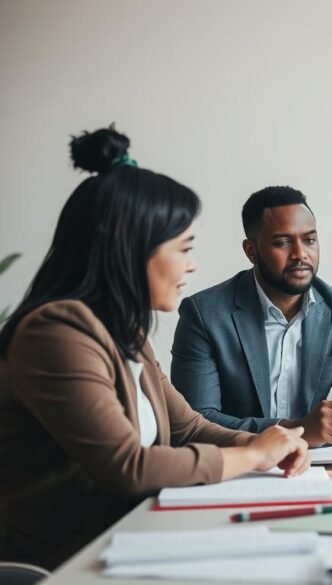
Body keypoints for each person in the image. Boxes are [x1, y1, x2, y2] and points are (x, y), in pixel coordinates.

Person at [0, 126, 311, 569]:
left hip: (129, 540)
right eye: (184, 248)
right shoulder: (54, 333)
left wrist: (260, 443)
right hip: (65, 563)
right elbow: (128, 466)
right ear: (130, 249)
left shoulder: (122, 332)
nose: (193, 264)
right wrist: (253, 456)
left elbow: (187, 427)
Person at [171, 186, 332, 445]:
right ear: (251, 251)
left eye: (309, 240)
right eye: (282, 242)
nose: (300, 254)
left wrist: (331, 426)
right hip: (238, 467)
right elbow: (195, 420)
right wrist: (299, 429)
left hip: (316, 463)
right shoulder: (205, 314)